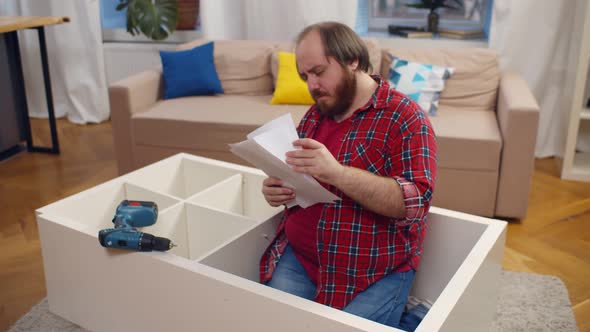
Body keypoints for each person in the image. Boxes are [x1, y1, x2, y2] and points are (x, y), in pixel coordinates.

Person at [260, 21, 437, 330]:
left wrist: (339, 174)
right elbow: (299, 177)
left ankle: (412, 315)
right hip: (301, 257)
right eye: (305, 77)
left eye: (318, 71)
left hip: (370, 272)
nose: (312, 86)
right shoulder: (317, 113)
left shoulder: (405, 117)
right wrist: (279, 190)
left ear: (353, 60)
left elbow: (415, 203)